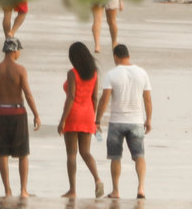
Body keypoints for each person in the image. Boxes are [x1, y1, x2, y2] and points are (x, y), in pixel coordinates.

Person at [0, 40, 40, 196]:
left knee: (3, 155)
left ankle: (7, 190)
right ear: (15, 51)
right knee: (23, 154)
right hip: (18, 113)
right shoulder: (20, 70)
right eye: (19, 51)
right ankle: (23, 190)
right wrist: (36, 114)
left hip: (2, 113)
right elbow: (28, 94)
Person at [98, 44, 152, 199]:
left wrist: (97, 119)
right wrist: (148, 119)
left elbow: (104, 99)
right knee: (139, 155)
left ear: (115, 56)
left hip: (116, 121)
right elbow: (147, 99)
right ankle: (141, 187)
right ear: (128, 55)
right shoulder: (142, 73)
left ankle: (116, 190)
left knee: (115, 157)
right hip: (136, 121)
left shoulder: (112, 74)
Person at [58, 41, 105, 199]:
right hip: (88, 114)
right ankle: (98, 179)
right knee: (86, 152)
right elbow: (94, 97)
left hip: (73, 114)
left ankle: (72, 190)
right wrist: (94, 118)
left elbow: (71, 97)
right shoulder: (94, 73)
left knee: (71, 154)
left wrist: (62, 120)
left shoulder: (73, 73)